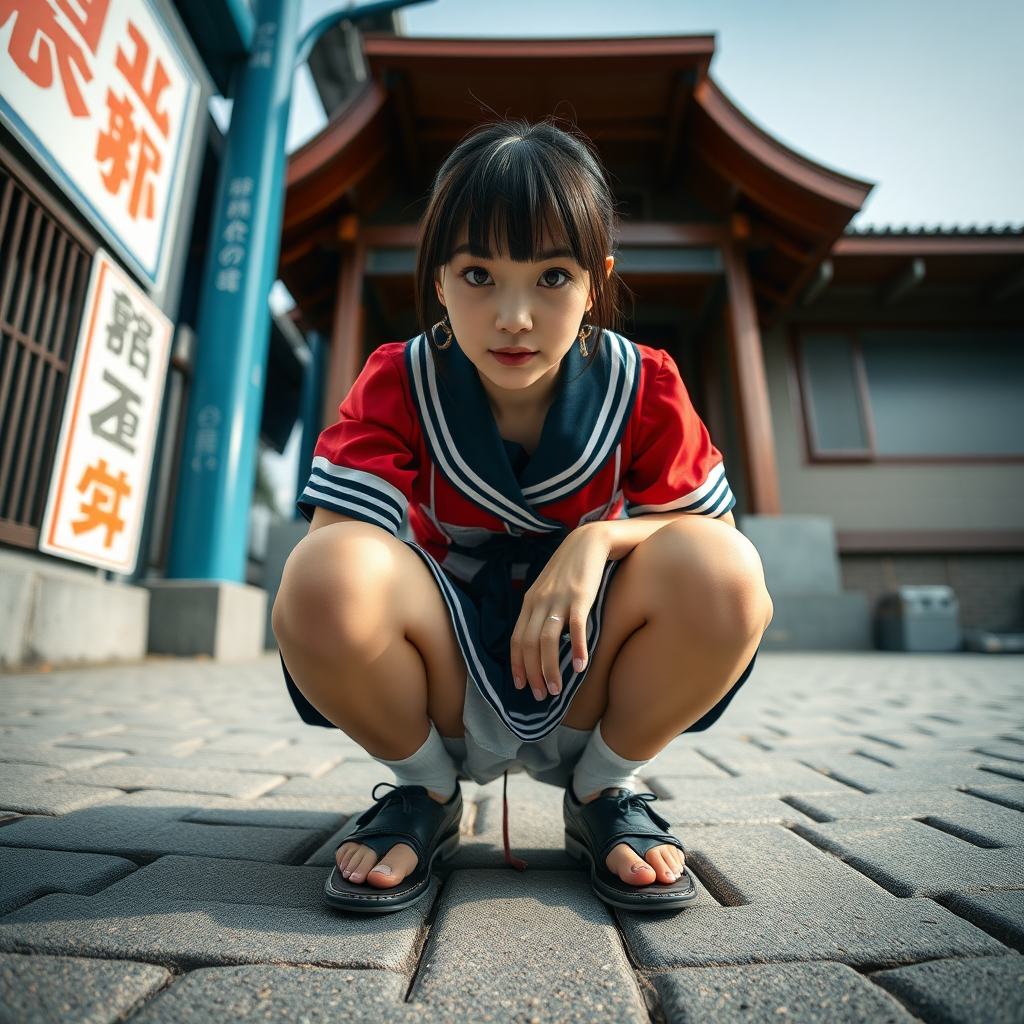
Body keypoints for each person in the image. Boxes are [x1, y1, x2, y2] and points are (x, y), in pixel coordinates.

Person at [273, 120, 773, 914]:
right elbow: (332, 558)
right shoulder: (399, 380)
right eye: (478, 274)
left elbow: (719, 544)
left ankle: (605, 788)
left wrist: (597, 538)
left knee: (725, 572)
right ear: (437, 280)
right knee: (322, 574)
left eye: (550, 278)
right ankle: (427, 796)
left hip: (589, 672)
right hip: (443, 686)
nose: (514, 316)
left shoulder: (642, 384)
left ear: (595, 281)